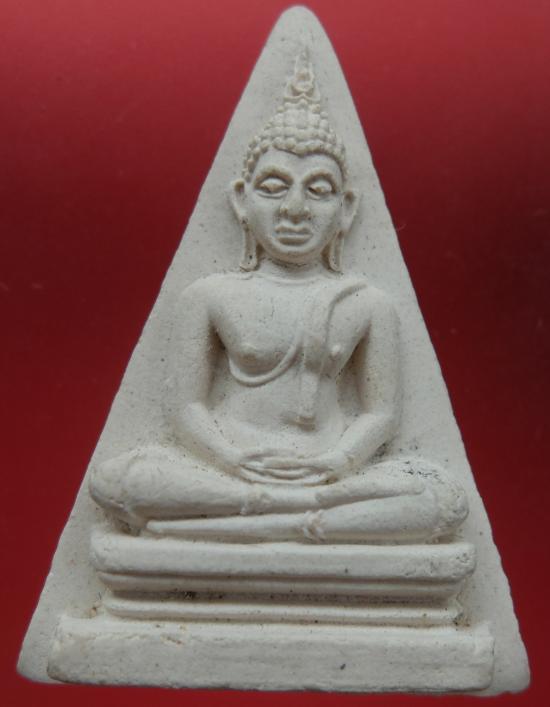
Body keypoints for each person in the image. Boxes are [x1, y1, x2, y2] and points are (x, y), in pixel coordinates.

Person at [90, 53, 467, 543]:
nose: (294, 209)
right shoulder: (210, 295)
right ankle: (297, 519)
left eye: (318, 190)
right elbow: (186, 409)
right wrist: (232, 460)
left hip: (329, 475)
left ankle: (265, 520)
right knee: (118, 481)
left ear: (346, 209)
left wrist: (337, 463)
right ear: (241, 200)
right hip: (232, 470)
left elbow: (381, 413)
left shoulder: (368, 303)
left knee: (441, 496)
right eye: (273, 188)